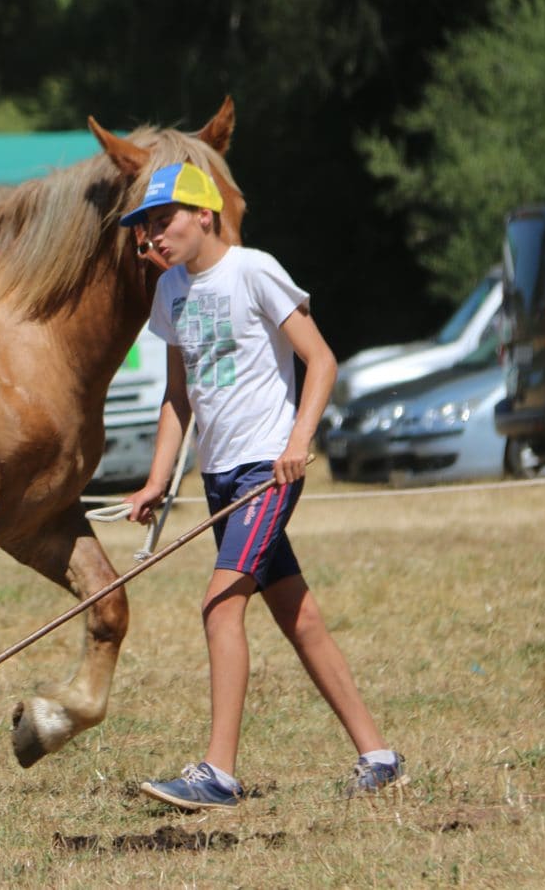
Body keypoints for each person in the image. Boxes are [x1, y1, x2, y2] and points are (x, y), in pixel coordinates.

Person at [117, 162, 403, 810]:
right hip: (220, 478)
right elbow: (177, 397)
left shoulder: (255, 270)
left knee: (221, 604)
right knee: (297, 614)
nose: (155, 238)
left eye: (164, 222)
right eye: (147, 228)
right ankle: (379, 756)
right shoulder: (170, 294)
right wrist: (158, 480)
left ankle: (218, 772)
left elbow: (321, 360)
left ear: (205, 216)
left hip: (265, 471)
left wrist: (298, 441)